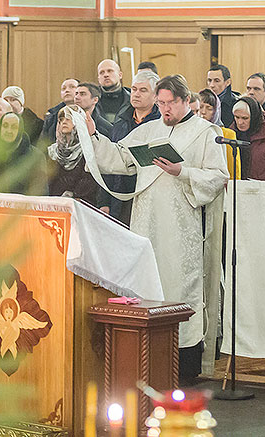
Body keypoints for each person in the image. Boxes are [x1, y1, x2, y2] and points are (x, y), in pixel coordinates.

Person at [85, 75, 229, 383]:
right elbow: (120, 159)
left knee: (180, 286)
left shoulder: (205, 132)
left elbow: (218, 176)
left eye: (170, 103)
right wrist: (94, 135)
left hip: (181, 225)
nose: (164, 109)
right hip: (145, 220)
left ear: (186, 101)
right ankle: (147, 360)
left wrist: (182, 171)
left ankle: (183, 364)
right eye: (160, 103)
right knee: (147, 285)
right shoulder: (148, 130)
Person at [106, 69, 162, 224]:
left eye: (143, 90)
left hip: (149, 195)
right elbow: (110, 159)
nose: (136, 94)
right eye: (134, 89)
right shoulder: (120, 122)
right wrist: (104, 201)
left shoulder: (162, 124)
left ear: (155, 96)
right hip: (120, 195)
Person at [46, 105, 106, 208]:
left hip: (83, 205)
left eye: (68, 118)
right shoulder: (53, 151)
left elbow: (89, 183)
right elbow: (49, 180)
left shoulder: (89, 150)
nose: (64, 122)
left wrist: (72, 197)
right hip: (55, 204)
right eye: (61, 119)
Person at [229, 95, 265, 181]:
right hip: (236, 186)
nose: (240, 122)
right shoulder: (231, 134)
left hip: (263, 186)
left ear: (254, 116)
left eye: (245, 118)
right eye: (237, 117)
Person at [41, 77, 81, 143]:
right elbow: (42, 142)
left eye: (72, 87)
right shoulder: (51, 117)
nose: (67, 90)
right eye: (63, 88)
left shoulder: (88, 112)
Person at [96, 59, 130, 126]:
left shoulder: (132, 100)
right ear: (98, 79)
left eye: (110, 71)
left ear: (120, 75)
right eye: (101, 72)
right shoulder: (91, 101)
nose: (106, 75)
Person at [207, 63, 238, 128]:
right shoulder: (201, 101)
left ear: (228, 82)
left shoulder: (235, 103)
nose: (212, 85)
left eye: (217, 81)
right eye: (209, 80)